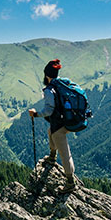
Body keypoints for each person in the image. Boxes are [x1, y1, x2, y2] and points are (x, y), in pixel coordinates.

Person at [28, 59, 76, 193]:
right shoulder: (62, 84)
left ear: (46, 75)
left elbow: (49, 110)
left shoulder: (50, 90)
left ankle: (70, 182)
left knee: (65, 153)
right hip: (67, 120)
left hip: (59, 125)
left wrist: (36, 114)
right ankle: (52, 156)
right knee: (50, 131)